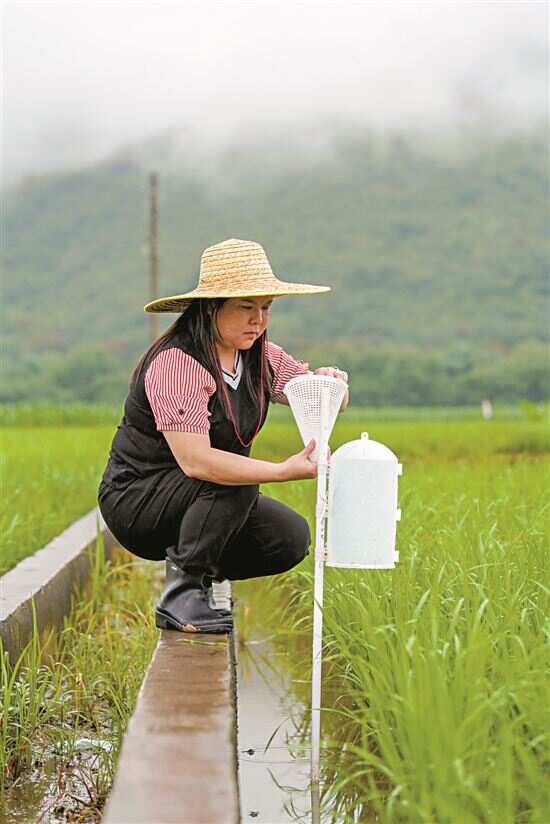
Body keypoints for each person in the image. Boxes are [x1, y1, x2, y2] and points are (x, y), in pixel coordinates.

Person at [97, 238, 349, 634]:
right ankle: (181, 593)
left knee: (288, 538)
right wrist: (280, 471)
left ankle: (199, 576)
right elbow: (197, 461)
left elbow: (313, 395)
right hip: (138, 500)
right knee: (239, 478)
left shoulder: (261, 356)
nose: (258, 320)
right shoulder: (177, 364)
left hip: (202, 496)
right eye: (246, 307)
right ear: (211, 307)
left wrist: (333, 385)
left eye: (266, 307)